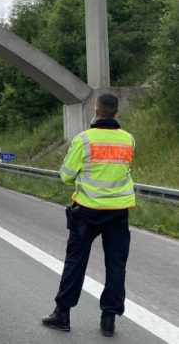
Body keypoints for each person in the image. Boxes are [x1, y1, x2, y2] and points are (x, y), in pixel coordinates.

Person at [42, 93, 135, 338]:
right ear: (116, 111)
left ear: (96, 110)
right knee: (116, 264)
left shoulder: (84, 139)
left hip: (87, 212)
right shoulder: (128, 140)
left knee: (76, 262)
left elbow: (66, 175)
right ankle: (108, 319)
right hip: (118, 212)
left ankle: (62, 314)